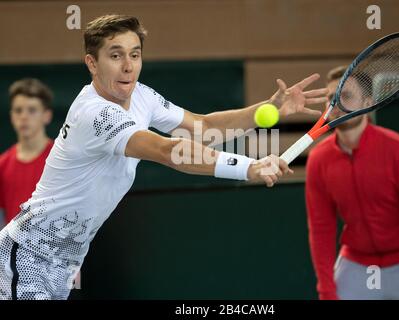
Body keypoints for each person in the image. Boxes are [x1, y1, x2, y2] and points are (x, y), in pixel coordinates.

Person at [0, 15, 327, 300]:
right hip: (27, 255)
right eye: (116, 55)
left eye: (135, 55)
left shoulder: (142, 95)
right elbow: (168, 151)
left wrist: (265, 111)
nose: (129, 66)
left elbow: (204, 126)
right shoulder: (95, 114)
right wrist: (248, 168)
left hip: (64, 262)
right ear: (92, 63)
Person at [305, 65, 399, 300]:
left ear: (368, 102)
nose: (336, 104)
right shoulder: (318, 160)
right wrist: (327, 292)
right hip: (357, 263)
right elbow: (321, 230)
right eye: (331, 98)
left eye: (346, 96)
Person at [0, 79, 54, 229]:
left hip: (55, 249)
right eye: (18, 110)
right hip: (13, 250)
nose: (23, 116)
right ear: (11, 116)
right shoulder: (2, 164)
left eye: (32, 110)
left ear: (47, 116)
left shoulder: (61, 159)